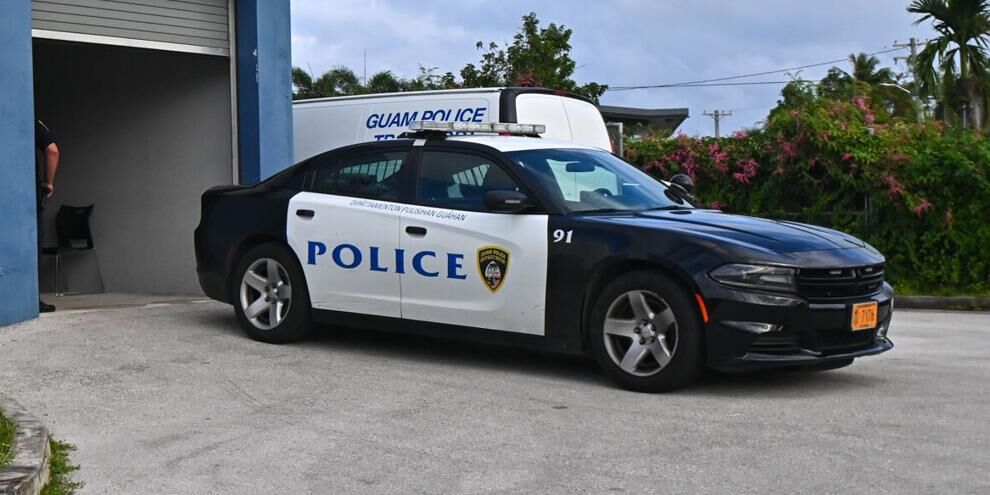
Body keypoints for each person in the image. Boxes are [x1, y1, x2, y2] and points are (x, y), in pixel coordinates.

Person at [36, 120, 60, 313]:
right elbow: (52, 150)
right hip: (26, 190)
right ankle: (30, 298)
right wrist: (48, 182)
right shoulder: (32, 120)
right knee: (33, 240)